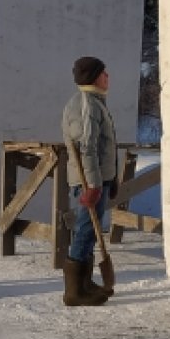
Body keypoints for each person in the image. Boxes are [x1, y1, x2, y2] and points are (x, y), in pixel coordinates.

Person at [59, 55, 117, 307]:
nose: (108, 77)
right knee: (84, 231)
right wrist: (93, 185)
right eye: (105, 73)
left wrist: (109, 178)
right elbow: (86, 148)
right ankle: (74, 291)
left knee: (90, 232)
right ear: (94, 77)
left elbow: (104, 147)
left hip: (98, 179)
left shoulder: (95, 102)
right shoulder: (86, 105)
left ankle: (85, 283)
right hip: (87, 182)